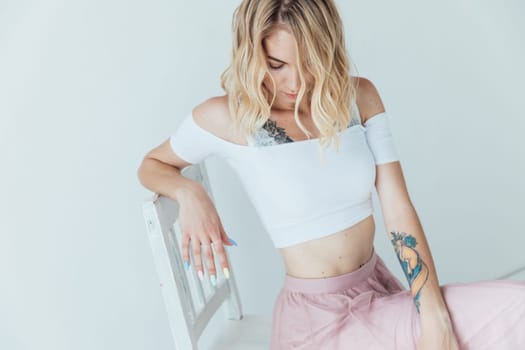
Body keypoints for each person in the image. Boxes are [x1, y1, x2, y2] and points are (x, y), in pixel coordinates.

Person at [137, 1, 525, 349]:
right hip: (318, 323)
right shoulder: (225, 117)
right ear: (251, 54)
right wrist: (190, 194)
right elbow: (152, 165)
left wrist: (434, 314)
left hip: (380, 291)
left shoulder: (359, 98)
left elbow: (398, 209)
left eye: (309, 63)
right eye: (276, 65)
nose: (295, 82)